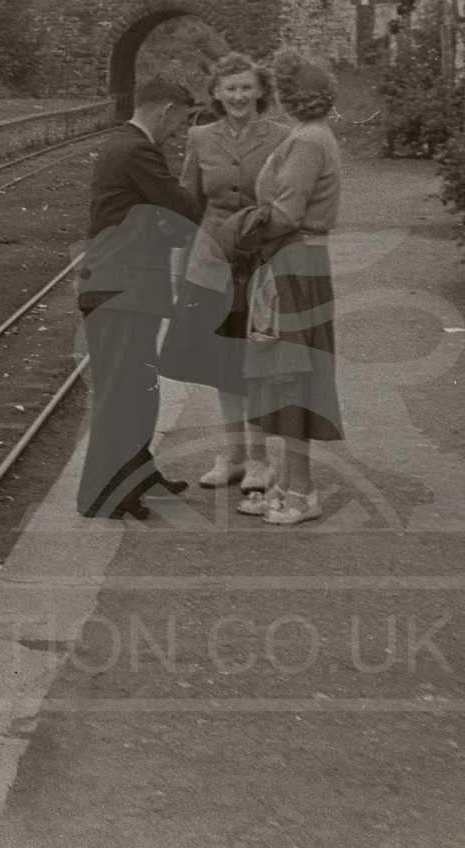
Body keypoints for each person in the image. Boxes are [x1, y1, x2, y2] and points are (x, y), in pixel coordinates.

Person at [158, 53, 289, 493]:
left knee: (257, 364)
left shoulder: (282, 138)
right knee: (223, 366)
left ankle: (259, 460)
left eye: (246, 87)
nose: (238, 96)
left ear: (261, 92)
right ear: (215, 93)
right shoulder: (200, 137)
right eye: (230, 88)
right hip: (210, 264)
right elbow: (189, 206)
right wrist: (179, 270)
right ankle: (233, 456)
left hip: (260, 264)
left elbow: (289, 206)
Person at [75, 76, 205, 520]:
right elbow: (183, 209)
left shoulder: (120, 145)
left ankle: (137, 473)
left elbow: (146, 218)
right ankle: (102, 494)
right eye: (181, 121)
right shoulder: (139, 151)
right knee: (123, 393)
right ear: (165, 110)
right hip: (122, 290)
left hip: (120, 285)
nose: (179, 131)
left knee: (136, 389)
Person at [232, 51, 344, 526]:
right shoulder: (310, 136)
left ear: (284, 95)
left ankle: (302, 489)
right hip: (294, 261)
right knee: (282, 371)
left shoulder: (306, 142)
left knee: (292, 374)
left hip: (293, 263)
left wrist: (236, 238)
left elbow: (286, 213)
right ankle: (288, 480)